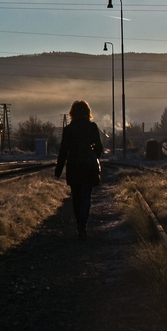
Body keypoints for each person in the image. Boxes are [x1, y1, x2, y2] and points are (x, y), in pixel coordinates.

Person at [54, 100, 105, 240]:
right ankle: (83, 224)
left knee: (76, 197)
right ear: (88, 112)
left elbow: (63, 151)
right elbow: (99, 147)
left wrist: (58, 170)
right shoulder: (92, 127)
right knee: (86, 196)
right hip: (88, 166)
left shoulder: (69, 129)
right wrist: (94, 156)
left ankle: (79, 225)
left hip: (74, 166)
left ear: (72, 113)